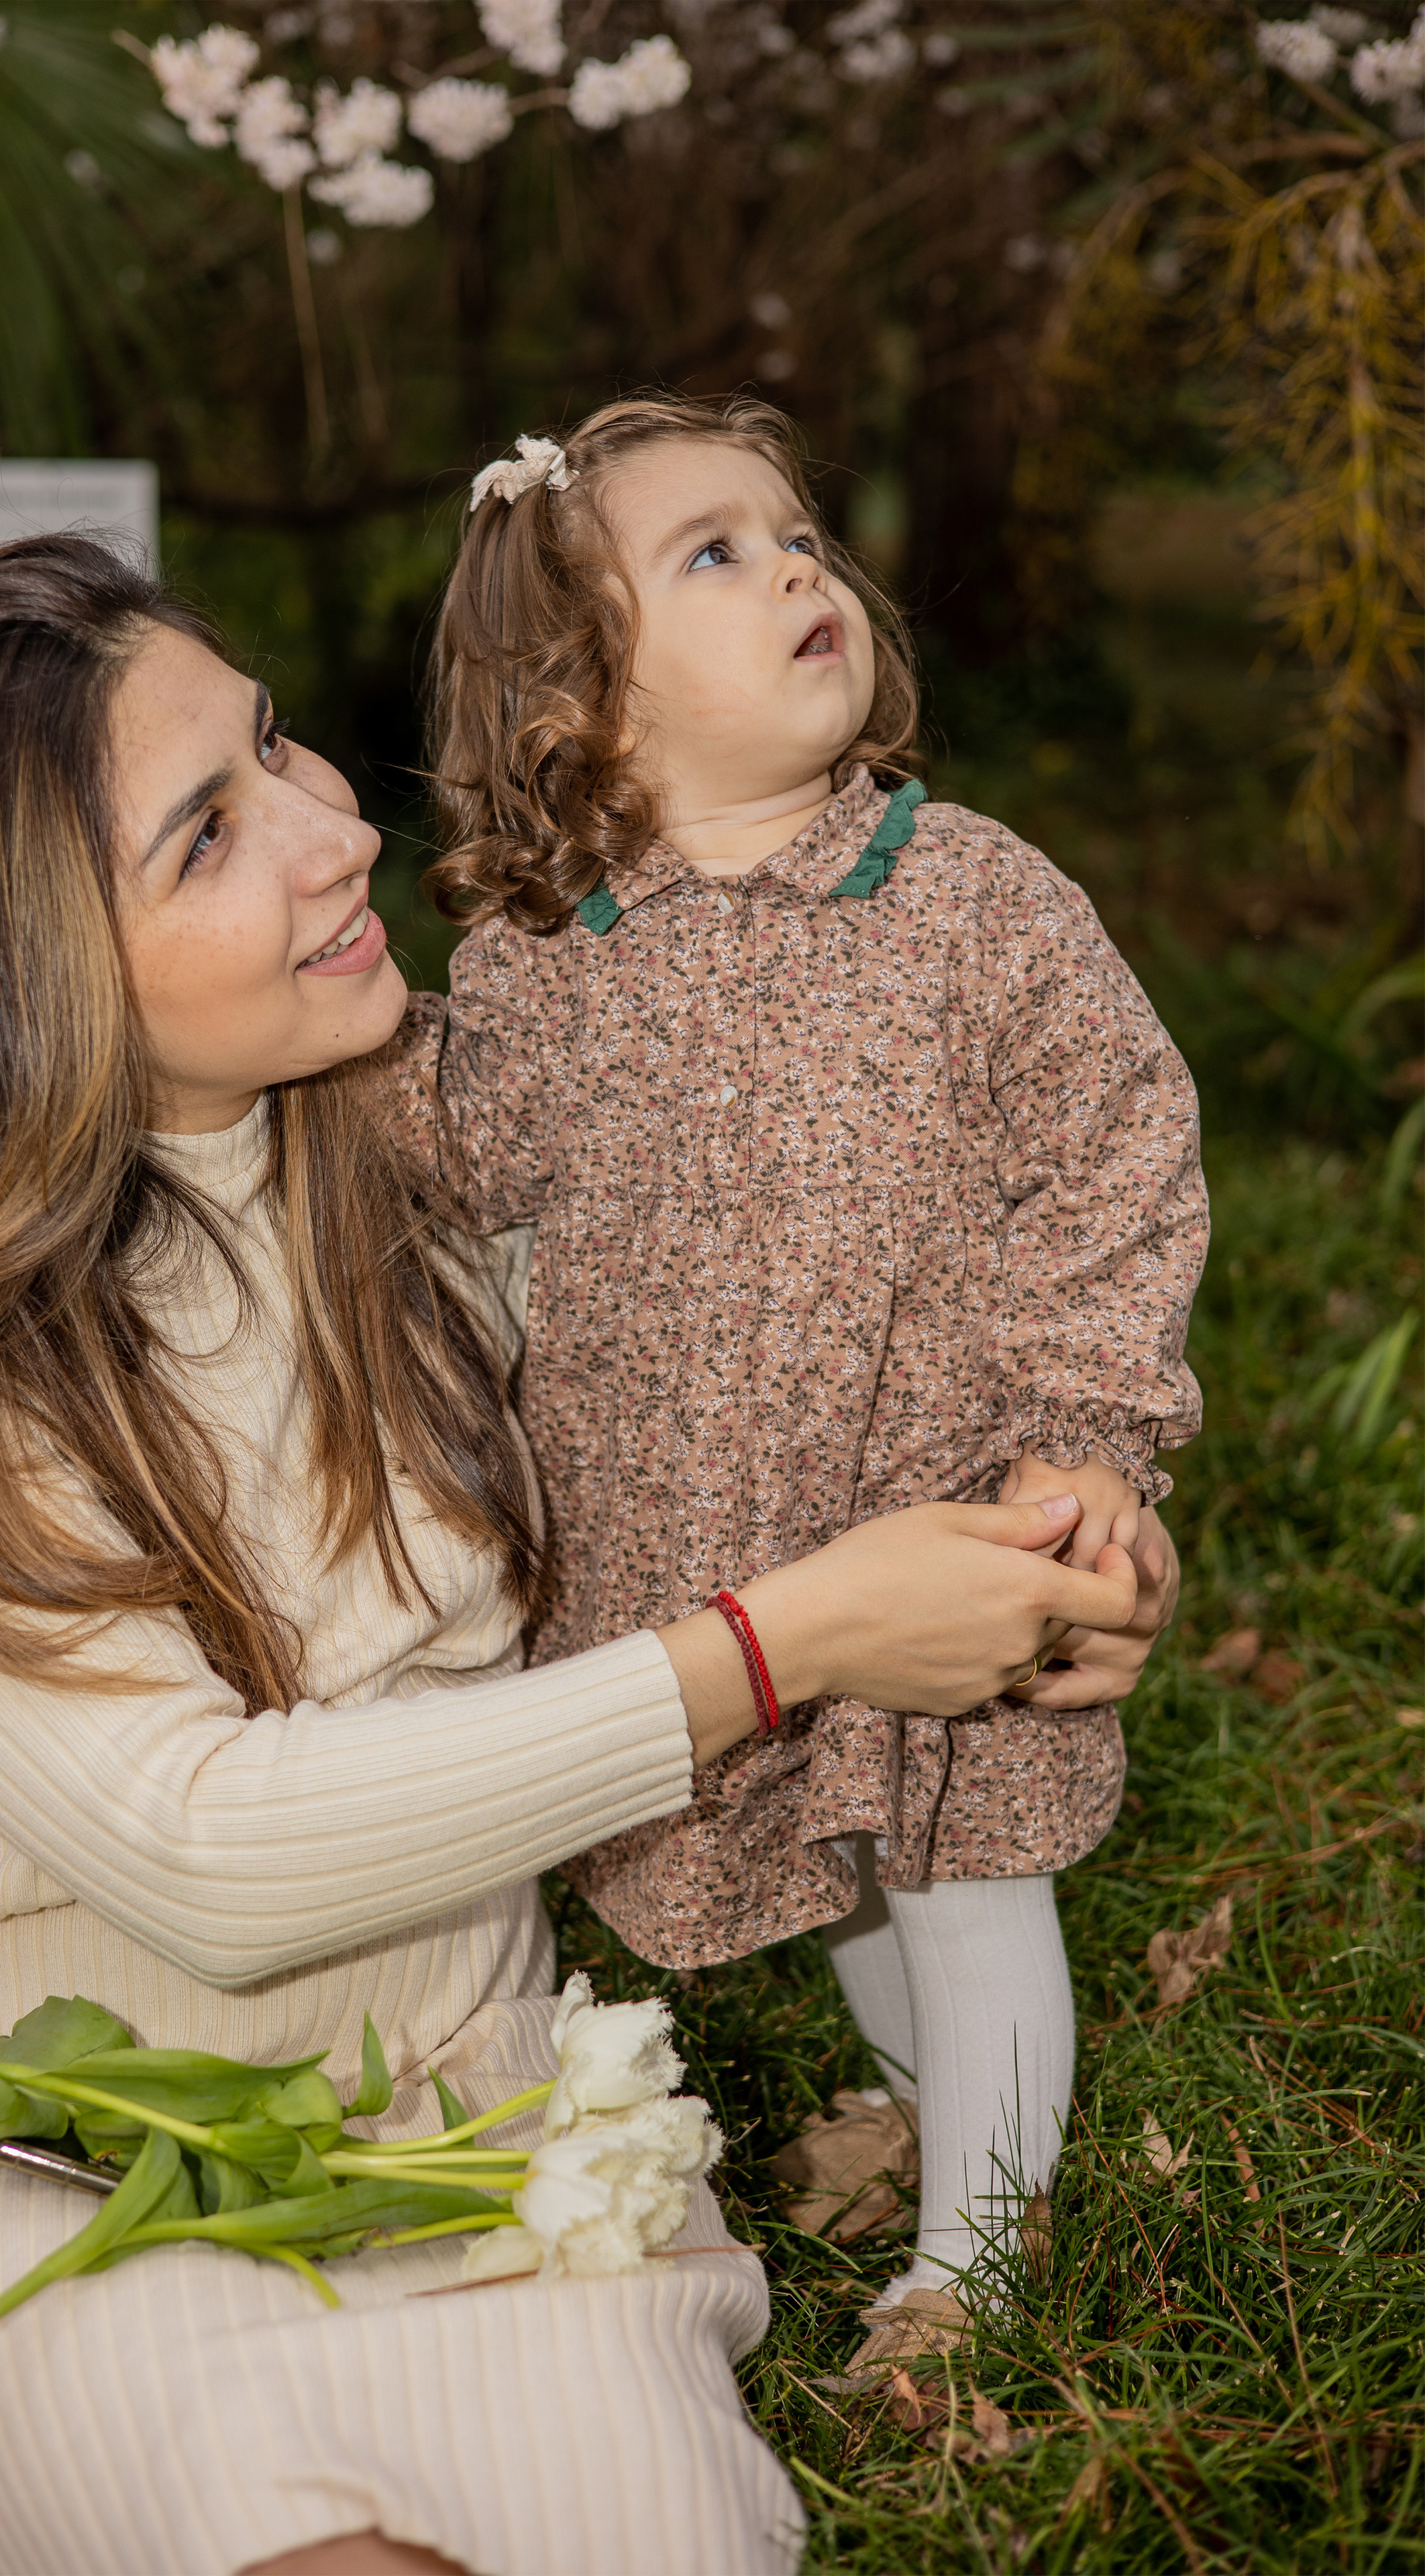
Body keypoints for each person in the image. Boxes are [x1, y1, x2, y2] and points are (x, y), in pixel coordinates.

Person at [0, 535, 1162, 2576]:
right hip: (5, 2122)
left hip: (474, 2106)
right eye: (210, 832)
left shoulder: (447, 1144)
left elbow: (800, 1375)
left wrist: (1045, 1528)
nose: (335, 831)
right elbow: (204, 1851)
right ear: (8, 968)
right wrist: (790, 1646)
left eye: (277, 742)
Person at [386, 394, 1208, 2361]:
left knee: (962, 1867)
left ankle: (972, 2273)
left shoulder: (973, 898)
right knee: (832, 1869)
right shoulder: (549, 960)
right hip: (703, 1532)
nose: (793, 572)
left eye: (798, 537)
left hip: (950, 1498)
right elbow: (457, 1156)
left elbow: (1116, 1148)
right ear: (582, 704)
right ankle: (936, 2110)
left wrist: (1088, 1428)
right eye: (716, 555)